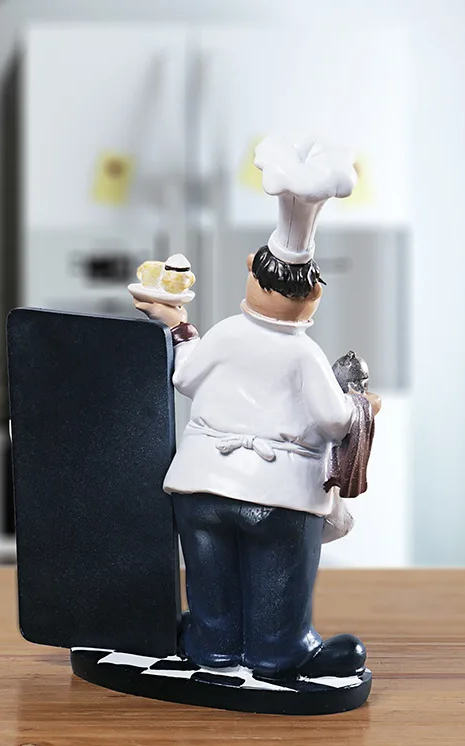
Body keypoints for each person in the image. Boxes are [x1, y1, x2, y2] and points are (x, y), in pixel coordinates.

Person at [134, 136, 380, 680]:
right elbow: (333, 420)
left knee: (210, 577)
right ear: (314, 295)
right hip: (276, 494)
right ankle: (279, 652)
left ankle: (213, 646)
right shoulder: (304, 354)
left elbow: (184, 376)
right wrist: (362, 405)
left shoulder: (224, 332)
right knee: (277, 577)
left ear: (251, 270)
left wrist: (180, 329)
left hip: (201, 485)